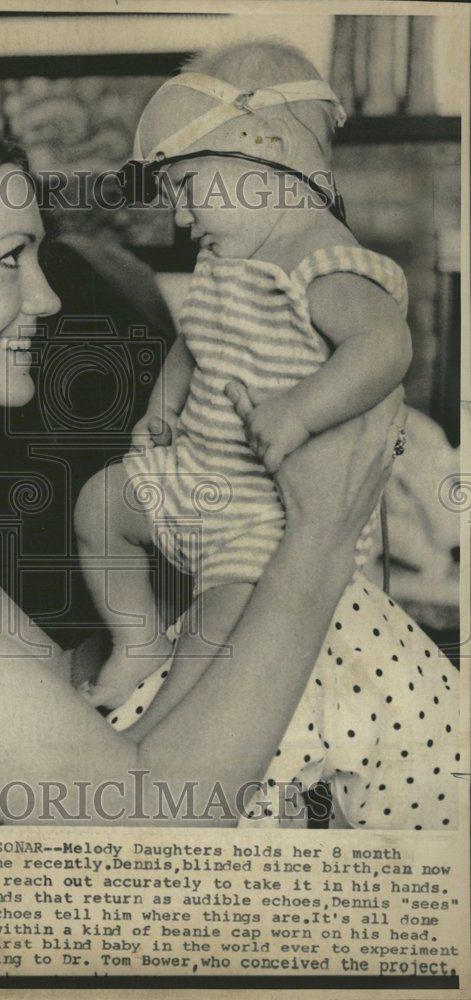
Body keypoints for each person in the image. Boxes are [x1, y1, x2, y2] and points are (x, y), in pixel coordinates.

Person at [0, 60, 406, 827]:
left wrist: (202, 611)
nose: (47, 298)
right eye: (9, 258)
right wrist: (317, 541)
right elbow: (137, 830)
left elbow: (60, 709)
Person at [75, 42, 458, 828]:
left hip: (266, 518)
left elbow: (386, 348)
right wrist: (159, 406)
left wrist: (300, 410)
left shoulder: (327, 262)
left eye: (188, 189)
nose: (180, 215)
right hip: (200, 476)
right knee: (99, 506)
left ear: (270, 153)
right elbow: (194, 344)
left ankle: (151, 753)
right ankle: (135, 640)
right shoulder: (225, 261)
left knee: (213, 648)